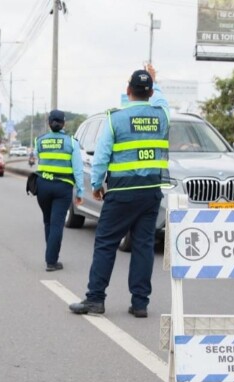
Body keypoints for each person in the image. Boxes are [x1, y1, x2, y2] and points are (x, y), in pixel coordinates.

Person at [69, 64, 169, 318]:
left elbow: (101, 157)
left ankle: (95, 299)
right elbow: (162, 101)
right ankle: (140, 304)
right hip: (150, 192)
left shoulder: (116, 119)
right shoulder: (162, 116)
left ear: (128, 91)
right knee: (143, 246)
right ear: (149, 92)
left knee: (105, 243)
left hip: (122, 191)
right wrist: (155, 83)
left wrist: (96, 185)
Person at [34, 110, 84, 272]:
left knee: (48, 221)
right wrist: (80, 192)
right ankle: (51, 260)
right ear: (64, 123)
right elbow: (78, 170)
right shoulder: (71, 142)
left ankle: (50, 255)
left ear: (49, 123)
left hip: (43, 185)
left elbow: (36, 158)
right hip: (62, 187)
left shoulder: (39, 141)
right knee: (57, 224)